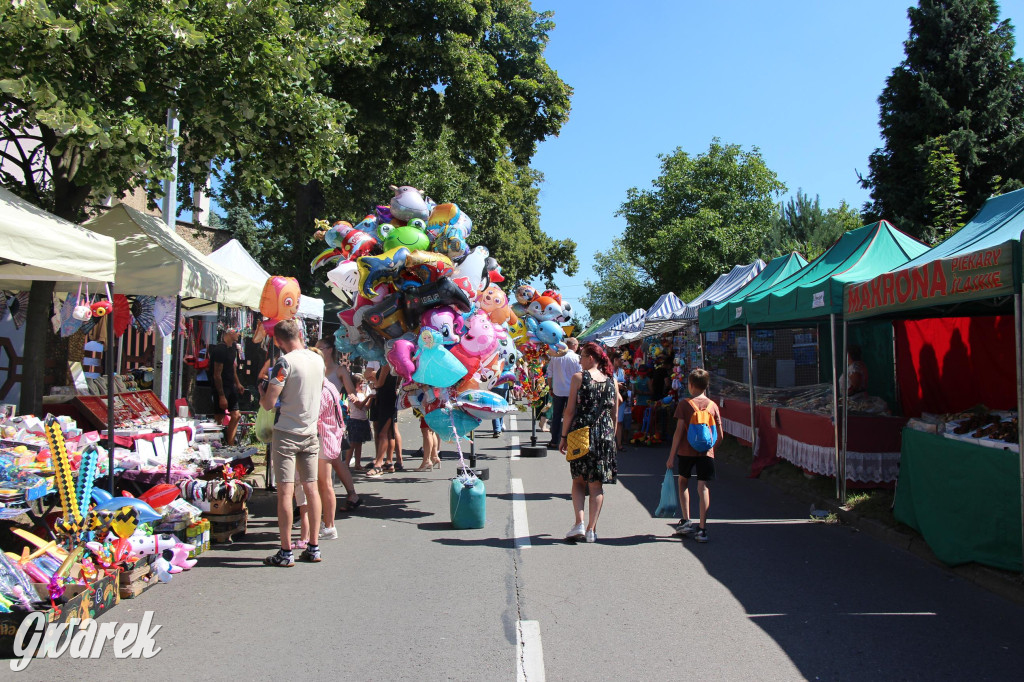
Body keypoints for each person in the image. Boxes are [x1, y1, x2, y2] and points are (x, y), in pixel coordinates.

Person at [259, 319, 326, 566]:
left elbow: (269, 403)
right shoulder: (318, 359)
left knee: (286, 492)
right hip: (310, 432)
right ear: (300, 333)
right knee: (312, 489)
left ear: (278, 341)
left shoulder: (284, 363)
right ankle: (314, 546)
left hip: (287, 432)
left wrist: (262, 391)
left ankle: (286, 552)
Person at [559, 342, 619, 544]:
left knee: (578, 481)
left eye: (582, 356)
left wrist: (563, 436)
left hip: (581, 434)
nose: (579, 360)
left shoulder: (579, 378)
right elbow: (615, 414)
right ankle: (592, 530)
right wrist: (612, 439)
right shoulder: (612, 381)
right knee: (596, 486)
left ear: (591, 358)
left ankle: (579, 524)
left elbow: (569, 411)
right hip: (605, 437)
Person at [666, 368, 723, 544]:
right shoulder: (713, 406)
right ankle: (703, 528)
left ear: (690, 385)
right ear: (706, 386)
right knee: (703, 488)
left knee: (683, 482)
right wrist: (711, 448)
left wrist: (671, 456)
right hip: (706, 453)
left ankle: (686, 520)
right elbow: (720, 434)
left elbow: (678, 432)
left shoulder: (684, 404)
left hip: (686, 451)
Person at [309, 347, 361, 542]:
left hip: (323, 437)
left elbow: (313, 416)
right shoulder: (328, 385)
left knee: (323, 484)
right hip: (331, 436)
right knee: (324, 483)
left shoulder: (322, 388)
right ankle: (323, 523)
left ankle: (328, 525)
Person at [366, 364, 404, 476]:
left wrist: (375, 381)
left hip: (385, 399)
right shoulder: (395, 364)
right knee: (389, 432)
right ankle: (389, 462)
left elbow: (379, 383)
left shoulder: (386, 364)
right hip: (390, 398)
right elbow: (397, 382)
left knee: (383, 433)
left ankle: (379, 464)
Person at [210, 327, 245, 445]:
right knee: (219, 417)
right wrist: (221, 395)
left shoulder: (233, 348)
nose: (239, 335)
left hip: (231, 385)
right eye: (237, 332)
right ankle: (216, 443)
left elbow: (232, 367)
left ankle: (230, 443)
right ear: (230, 333)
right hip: (221, 386)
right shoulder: (220, 349)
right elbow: (217, 374)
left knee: (236, 415)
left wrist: (238, 383)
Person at [546, 337, 582, 449]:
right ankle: (570, 441)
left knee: (556, 416)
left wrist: (550, 388)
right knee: (572, 415)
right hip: (572, 391)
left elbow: (549, 374)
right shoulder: (577, 358)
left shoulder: (556, 357)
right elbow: (581, 375)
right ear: (575, 345)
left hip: (558, 390)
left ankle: (554, 440)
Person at [344, 369, 373, 470]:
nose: (362, 386)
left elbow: (366, 408)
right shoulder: (352, 395)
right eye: (360, 383)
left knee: (359, 443)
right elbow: (360, 406)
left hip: (363, 420)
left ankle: (357, 464)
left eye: (363, 383)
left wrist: (371, 398)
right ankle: (346, 464)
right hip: (354, 421)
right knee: (352, 443)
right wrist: (368, 397)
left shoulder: (363, 393)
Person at [612, 353, 631, 451]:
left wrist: (624, 385)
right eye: (621, 360)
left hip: (621, 398)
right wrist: (617, 385)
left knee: (619, 421)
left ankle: (619, 444)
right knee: (612, 420)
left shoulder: (622, 371)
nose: (622, 362)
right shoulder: (609, 370)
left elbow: (625, 382)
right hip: (612, 398)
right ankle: (611, 443)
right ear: (615, 359)